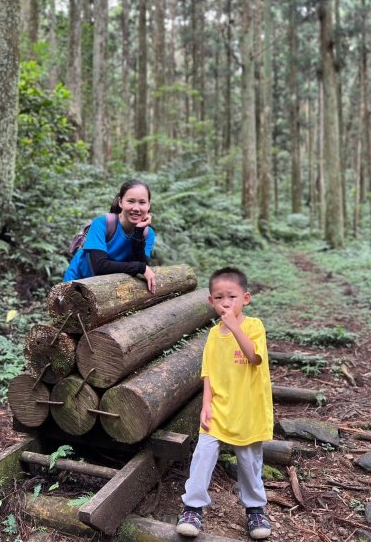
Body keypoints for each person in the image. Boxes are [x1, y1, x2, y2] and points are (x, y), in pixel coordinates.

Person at [176, 267, 273, 540]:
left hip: (248, 408)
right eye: (219, 298)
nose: (226, 302)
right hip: (218, 408)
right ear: (211, 302)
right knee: (203, 455)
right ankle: (192, 508)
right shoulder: (213, 335)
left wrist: (234, 327)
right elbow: (208, 373)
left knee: (249, 462)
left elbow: (254, 357)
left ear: (246, 298)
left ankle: (255, 509)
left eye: (232, 296)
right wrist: (206, 405)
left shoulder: (254, 326)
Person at [63, 179, 157, 293]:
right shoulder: (101, 224)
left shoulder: (148, 234)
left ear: (148, 205)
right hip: (76, 283)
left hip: (106, 288)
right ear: (120, 202)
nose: (136, 208)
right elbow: (100, 266)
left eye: (142, 202)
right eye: (130, 201)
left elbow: (141, 264)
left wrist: (138, 232)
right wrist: (140, 267)